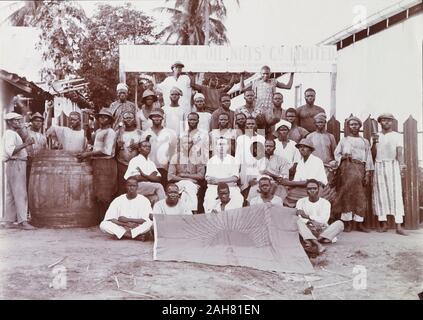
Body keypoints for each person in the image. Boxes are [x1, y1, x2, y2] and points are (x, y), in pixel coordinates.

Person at [333, 116, 374, 233]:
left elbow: (368, 157)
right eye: (351, 124)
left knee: (360, 196)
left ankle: (359, 223)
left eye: (356, 124)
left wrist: (367, 173)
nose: (354, 126)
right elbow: (336, 154)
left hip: (360, 168)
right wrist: (343, 157)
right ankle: (348, 224)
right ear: (348, 126)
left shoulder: (364, 141)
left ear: (360, 126)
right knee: (347, 195)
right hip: (347, 169)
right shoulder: (344, 140)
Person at [76, 108, 117, 220]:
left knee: (105, 193)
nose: (102, 119)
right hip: (97, 162)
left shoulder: (111, 132)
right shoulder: (98, 132)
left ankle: (108, 219)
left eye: (105, 117)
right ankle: (99, 219)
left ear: (109, 120)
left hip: (106, 163)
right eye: (100, 117)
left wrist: (88, 154)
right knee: (96, 191)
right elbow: (95, 146)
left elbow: (106, 151)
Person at [371, 113, 407, 236]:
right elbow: (373, 154)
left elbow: (399, 151)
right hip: (379, 165)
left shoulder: (397, 136)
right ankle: (384, 223)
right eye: (384, 120)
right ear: (380, 122)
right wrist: (374, 142)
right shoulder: (376, 136)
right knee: (380, 194)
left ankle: (399, 225)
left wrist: (401, 165)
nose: (386, 123)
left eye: (389, 121)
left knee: (395, 194)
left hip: (393, 165)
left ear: (392, 122)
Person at [1, 112, 36, 230]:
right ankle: (23, 221)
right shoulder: (10, 134)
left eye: (18, 120)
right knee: (20, 193)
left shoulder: (11, 133)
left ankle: (9, 221)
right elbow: (11, 151)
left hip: (12, 164)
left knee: (11, 193)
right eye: (15, 121)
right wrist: (26, 144)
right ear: (9, 122)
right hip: (16, 164)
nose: (18, 122)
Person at [296, 179, 344, 255]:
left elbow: (324, 220)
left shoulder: (325, 203)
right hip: (307, 229)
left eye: (314, 188)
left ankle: (314, 241)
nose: (312, 191)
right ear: (306, 190)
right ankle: (318, 244)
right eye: (309, 189)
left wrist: (307, 216)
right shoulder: (301, 201)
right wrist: (310, 222)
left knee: (340, 223)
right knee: (297, 221)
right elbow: (299, 217)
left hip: (322, 230)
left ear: (318, 190)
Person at [283, 138, 328, 208]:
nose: (302, 149)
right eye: (300, 147)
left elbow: (310, 182)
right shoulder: (300, 163)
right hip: (303, 187)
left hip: (316, 187)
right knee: (286, 194)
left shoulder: (316, 161)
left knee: (294, 197)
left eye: (305, 147)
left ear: (310, 149)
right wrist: (287, 184)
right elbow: (297, 180)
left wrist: (289, 183)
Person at [204, 138, 244, 213]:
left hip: (231, 187)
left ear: (228, 146)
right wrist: (227, 180)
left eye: (224, 144)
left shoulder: (233, 160)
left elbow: (235, 178)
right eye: (219, 144)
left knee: (238, 199)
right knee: (209, 200)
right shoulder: (211, 161)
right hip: (214, 188)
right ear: (216, 147)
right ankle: (213, 221)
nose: (222, 147)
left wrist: (218, 180)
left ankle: (232, 221)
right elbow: (208, 178)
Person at [168, 135, 206, 214]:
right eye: (184, 143)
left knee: (186, 194)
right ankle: (194, 212)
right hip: (179, 184)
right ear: (181, 144)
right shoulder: (175, 157)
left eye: (189, 143)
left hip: (194, 185)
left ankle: (184, 215)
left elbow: (201, 175)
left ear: (192, 144)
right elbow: (170, 176)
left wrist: (185, 176)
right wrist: (188, 179)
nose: (187, 145)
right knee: (188, 184)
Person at [141, 108, 177, 184]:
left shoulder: (170, 133)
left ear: (162, 118)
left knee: (164, 187)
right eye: (154, 116)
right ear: (151, 118)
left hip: (165, 166)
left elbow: (173, 150)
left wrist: (171, 164)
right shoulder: (146, 133)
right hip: (150, 166)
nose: (157, 118)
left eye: (159, 116)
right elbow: (142, 150)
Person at [124, 139, 166, 205]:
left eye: (149, 146)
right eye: (144, 146)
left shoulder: (151, 163)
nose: (147, 148)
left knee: (155, 198)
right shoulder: (135, 160)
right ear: (139, 149)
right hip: (137, 186)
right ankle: (165, 210)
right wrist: (151, 177)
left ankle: (157, 214)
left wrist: (145, 175)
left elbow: (159, 178)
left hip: (148, 187)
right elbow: (136, 178)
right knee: (159, 186)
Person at [235, 117, 266, 197]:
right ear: (245, 125)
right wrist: (236, 172)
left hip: (256, 168)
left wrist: (260, 173)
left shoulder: (261, 138)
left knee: (254, 191)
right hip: (244, 169)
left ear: (255, 125)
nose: (250, 125)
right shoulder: (240, 138)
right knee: (244, 191)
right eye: (248, 124)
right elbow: (238, 157)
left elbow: (261, 158)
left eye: (252, 123)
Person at [115, 111, 143, 195]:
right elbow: (112, 150)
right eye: (126, 118)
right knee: (122, 186)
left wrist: (138, 146)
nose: (128, 120)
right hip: (121, 163)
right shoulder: (118, 133)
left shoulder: (140, 133)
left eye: (130, 118)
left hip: (135, 165)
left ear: (134, 119)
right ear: (122, 120)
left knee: (135, 186)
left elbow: (146, 148)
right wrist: (118, 146)